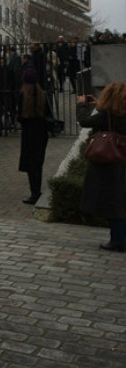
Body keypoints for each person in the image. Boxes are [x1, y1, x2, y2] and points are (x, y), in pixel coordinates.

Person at [77, 82, 126, 251]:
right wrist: (98, 104)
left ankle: (118, 240)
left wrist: (82, 104)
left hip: (110, 161)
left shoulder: (107, 115)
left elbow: (84, 121)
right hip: (123, 160)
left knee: (113, 202)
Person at [17, 68, 49, 205]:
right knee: (38, 163)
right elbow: (47, 113)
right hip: (41, 133)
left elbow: (20, 117)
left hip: (29, 133)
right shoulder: (42, 94)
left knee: (30, 165)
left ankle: (34, 193)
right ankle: (37, 190)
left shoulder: (23, 95)